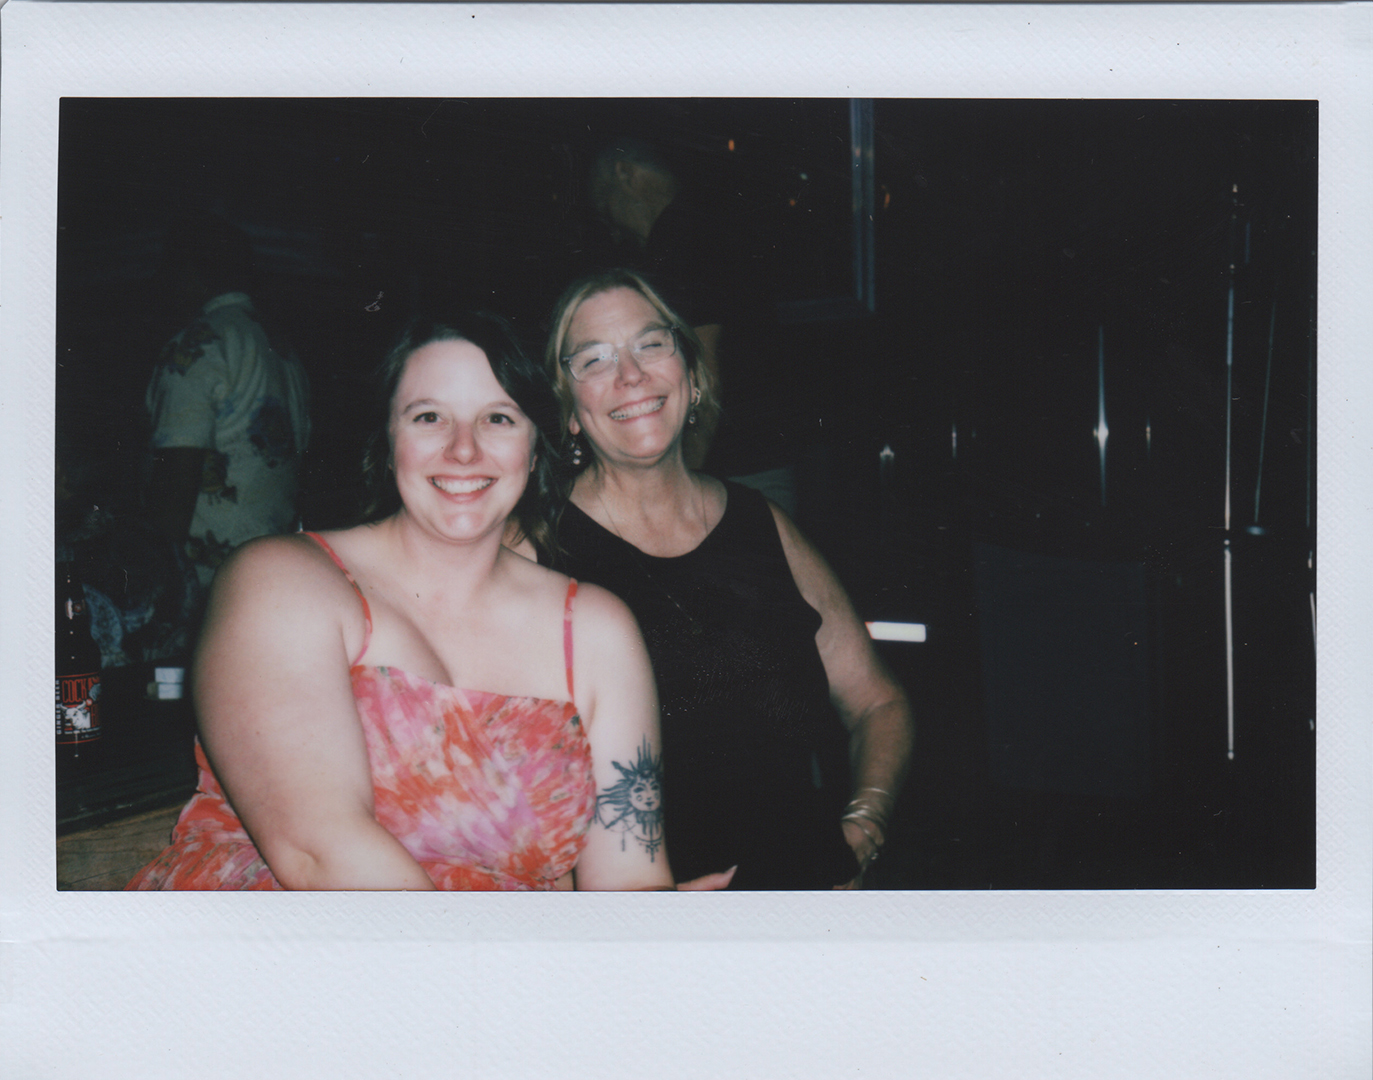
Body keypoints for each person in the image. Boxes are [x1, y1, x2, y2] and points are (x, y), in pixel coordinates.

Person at [127, 311, 674, 891]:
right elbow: (321, 855)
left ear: (536, 447)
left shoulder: (596, 631)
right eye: (429, 417)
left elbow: (631, 879)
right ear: (388, 441)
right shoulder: (282, 581)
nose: (463, 450)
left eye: (498, 418)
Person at [541, 269, 914, 889]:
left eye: (651, 344)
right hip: (646, 926)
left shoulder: (762, 524)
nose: (630, 374)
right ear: (570, 410)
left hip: (803, 899)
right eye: (594, 359)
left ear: (692, 376)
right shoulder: (535, 548)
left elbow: (879, 702)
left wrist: (863, 824)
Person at [586, 138, 800, 509]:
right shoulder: (715, 220)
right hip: (763, 450)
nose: (613, 229)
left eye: (606, 206)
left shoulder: (677, 240)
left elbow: (705, 366)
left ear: (625, 174)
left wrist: (682, 478)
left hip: (735, 470)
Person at [144, 213, 312, 644]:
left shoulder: (199, 344)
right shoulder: (282, 350)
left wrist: (158, 588)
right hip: (276, 570)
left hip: (209, 587)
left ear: (188, 269)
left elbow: (176, 474)